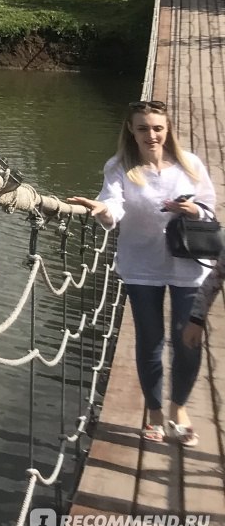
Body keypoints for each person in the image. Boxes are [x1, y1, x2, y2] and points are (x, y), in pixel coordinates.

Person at [69, 99, 215, 447]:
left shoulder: (189, 164)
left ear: (167, 130)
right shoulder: (120, 166)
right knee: (150, 340)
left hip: (189, 265)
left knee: (188, 340)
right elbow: (113, 205)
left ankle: (178, 409)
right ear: (131, 131)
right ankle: (153, 412)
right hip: (142, 266)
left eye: (158, 128)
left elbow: (210, 208)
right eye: (143, 128)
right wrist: (102, 209)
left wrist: (193, 209)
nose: (152, 135)